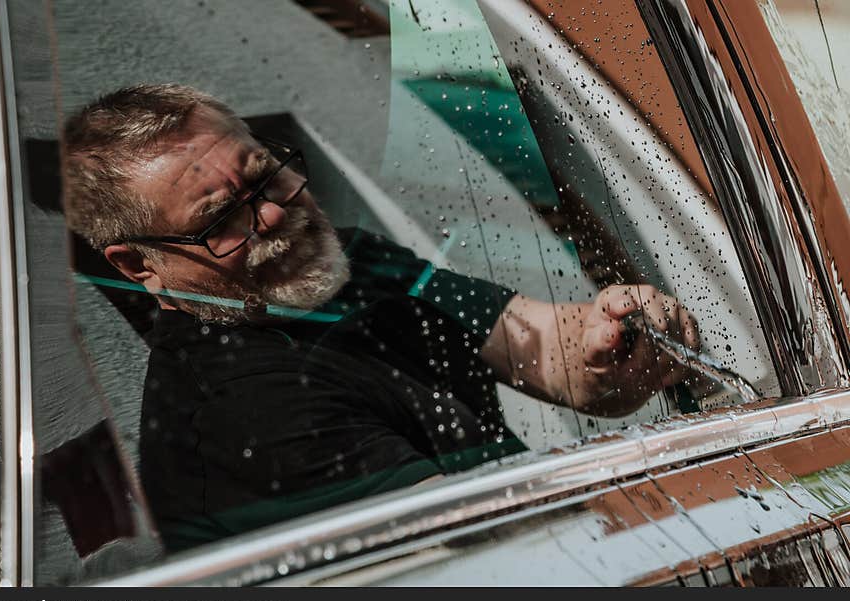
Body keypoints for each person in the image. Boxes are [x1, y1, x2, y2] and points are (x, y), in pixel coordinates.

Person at [63, 84, 700, 551]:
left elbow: (533, 346)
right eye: (220, 218)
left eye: (266, 179)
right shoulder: (243, 413)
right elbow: (504, 556)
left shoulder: (343, 263)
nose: (276, 216)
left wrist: (607, 338)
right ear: (138, 265)